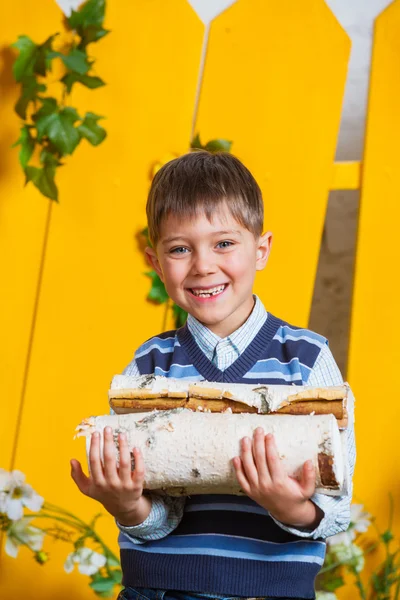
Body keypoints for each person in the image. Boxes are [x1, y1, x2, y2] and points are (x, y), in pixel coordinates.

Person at [71, 151, 355, 600]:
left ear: (261, 250)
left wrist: (292, 507)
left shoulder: (307, 360)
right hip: (159, 590)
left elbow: (338, 509)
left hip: (270, 591)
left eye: (224, 244)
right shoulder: (146, 370)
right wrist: (127, 506)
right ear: (156, 261)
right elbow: (158, 519)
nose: (203, 265)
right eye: (180, 249)